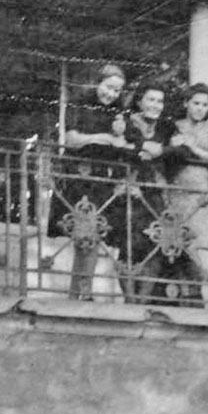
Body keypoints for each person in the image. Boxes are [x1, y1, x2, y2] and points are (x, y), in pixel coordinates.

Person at [57, 64, 131, 300]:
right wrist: (101, 138)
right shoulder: (79, 102)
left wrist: (119, 134)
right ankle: (80, 292)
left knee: (94, 235)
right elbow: (70, 139)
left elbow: (121, 145)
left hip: (102, 178)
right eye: (108, 87)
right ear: (98, 82)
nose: (111, 94)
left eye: (117, 91)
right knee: (83, 235)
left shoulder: (118, 111)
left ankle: (80, 291)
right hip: (79, 175)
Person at [165, 83, 208, 301]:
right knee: (180, 249)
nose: (200, 108)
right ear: (186, 103)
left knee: (204, 249)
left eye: (205, 105)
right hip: (177, 193)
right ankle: (187, 300)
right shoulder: (175, 126)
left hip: (201, 195)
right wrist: (174, 146)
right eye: (196, 103)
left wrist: (194, 149)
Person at [118, 85, 174, 302]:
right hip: (129, 191)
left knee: (155, 245)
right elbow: (125, 146)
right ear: (139, 102)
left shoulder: (166, 128)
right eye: (151, 100)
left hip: (155, 194)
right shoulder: (127, 123)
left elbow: (180, 149)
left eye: (160, 101)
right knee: (128, 247)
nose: (156, 105)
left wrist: (161, 151)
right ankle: (130, 300)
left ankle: (142, 300)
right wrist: (142, 147)